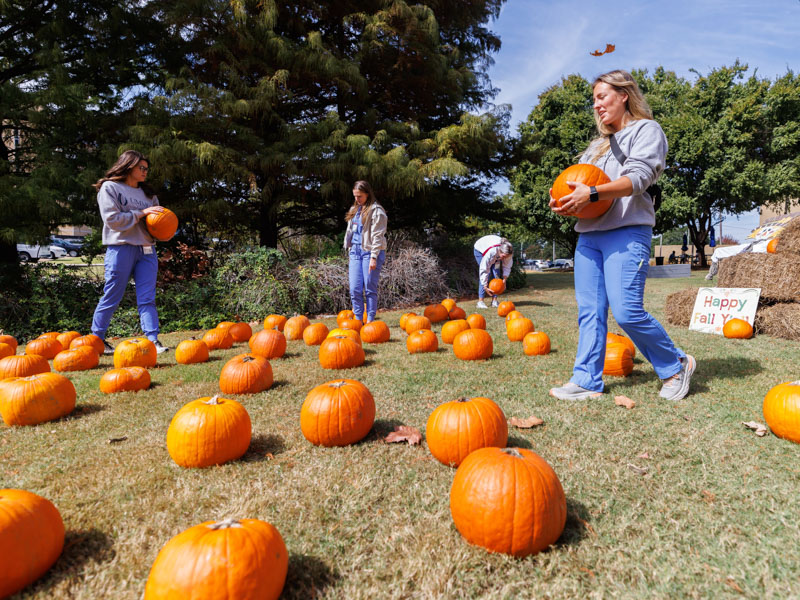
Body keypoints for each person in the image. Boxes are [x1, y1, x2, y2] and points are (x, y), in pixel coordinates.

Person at [547, 70, 695, 402]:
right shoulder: (597, 146)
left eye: (602, 97)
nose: (597, 105)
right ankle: (586, 379)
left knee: (627, 310)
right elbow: (578, 186)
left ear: (623, 95)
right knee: (590, 310)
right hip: (589, 236)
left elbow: (639, 178)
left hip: (627, 230)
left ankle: (676, 364)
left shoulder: (646, 130)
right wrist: (564, 201)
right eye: (594, 100)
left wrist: (594, 193)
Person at [90, 150, 169, 354]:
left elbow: (158, 226)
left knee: (147, 297)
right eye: (141, 168)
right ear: (128, 166)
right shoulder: (110, 188)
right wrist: (141, 213)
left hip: (147, 250)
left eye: (147, 169)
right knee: (112, 295)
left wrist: (166, 231)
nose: (145, 172)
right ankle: (97, 340)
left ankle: (152, 340)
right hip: (121, 247)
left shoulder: (149, 195)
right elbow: (113, 221)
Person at [344, 180, 388, 323]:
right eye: (355, 196)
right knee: (355, 289)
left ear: (368, 194)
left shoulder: (377, 211)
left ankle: (370, 321)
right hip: (355, 252)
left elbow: (378, 236)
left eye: (360, 196)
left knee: (369, 288)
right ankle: (358, 320)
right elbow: (351, 231)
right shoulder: (354, 210)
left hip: (370, 252)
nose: (357, 199)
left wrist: (374, 257)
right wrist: (349, 247)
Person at [473, 235, 513, 308]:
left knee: (497, 275)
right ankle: (480, 302)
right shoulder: (492, 252)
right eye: (503, 256)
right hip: (480, 250)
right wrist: (485, 286)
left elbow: (507, 266)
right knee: (487, 275)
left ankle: (494, 301)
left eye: (506, 257)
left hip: (496, 256)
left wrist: (504, 279)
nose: (505, 259)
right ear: (499, 251)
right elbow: (484, 269)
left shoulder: (508, 253)